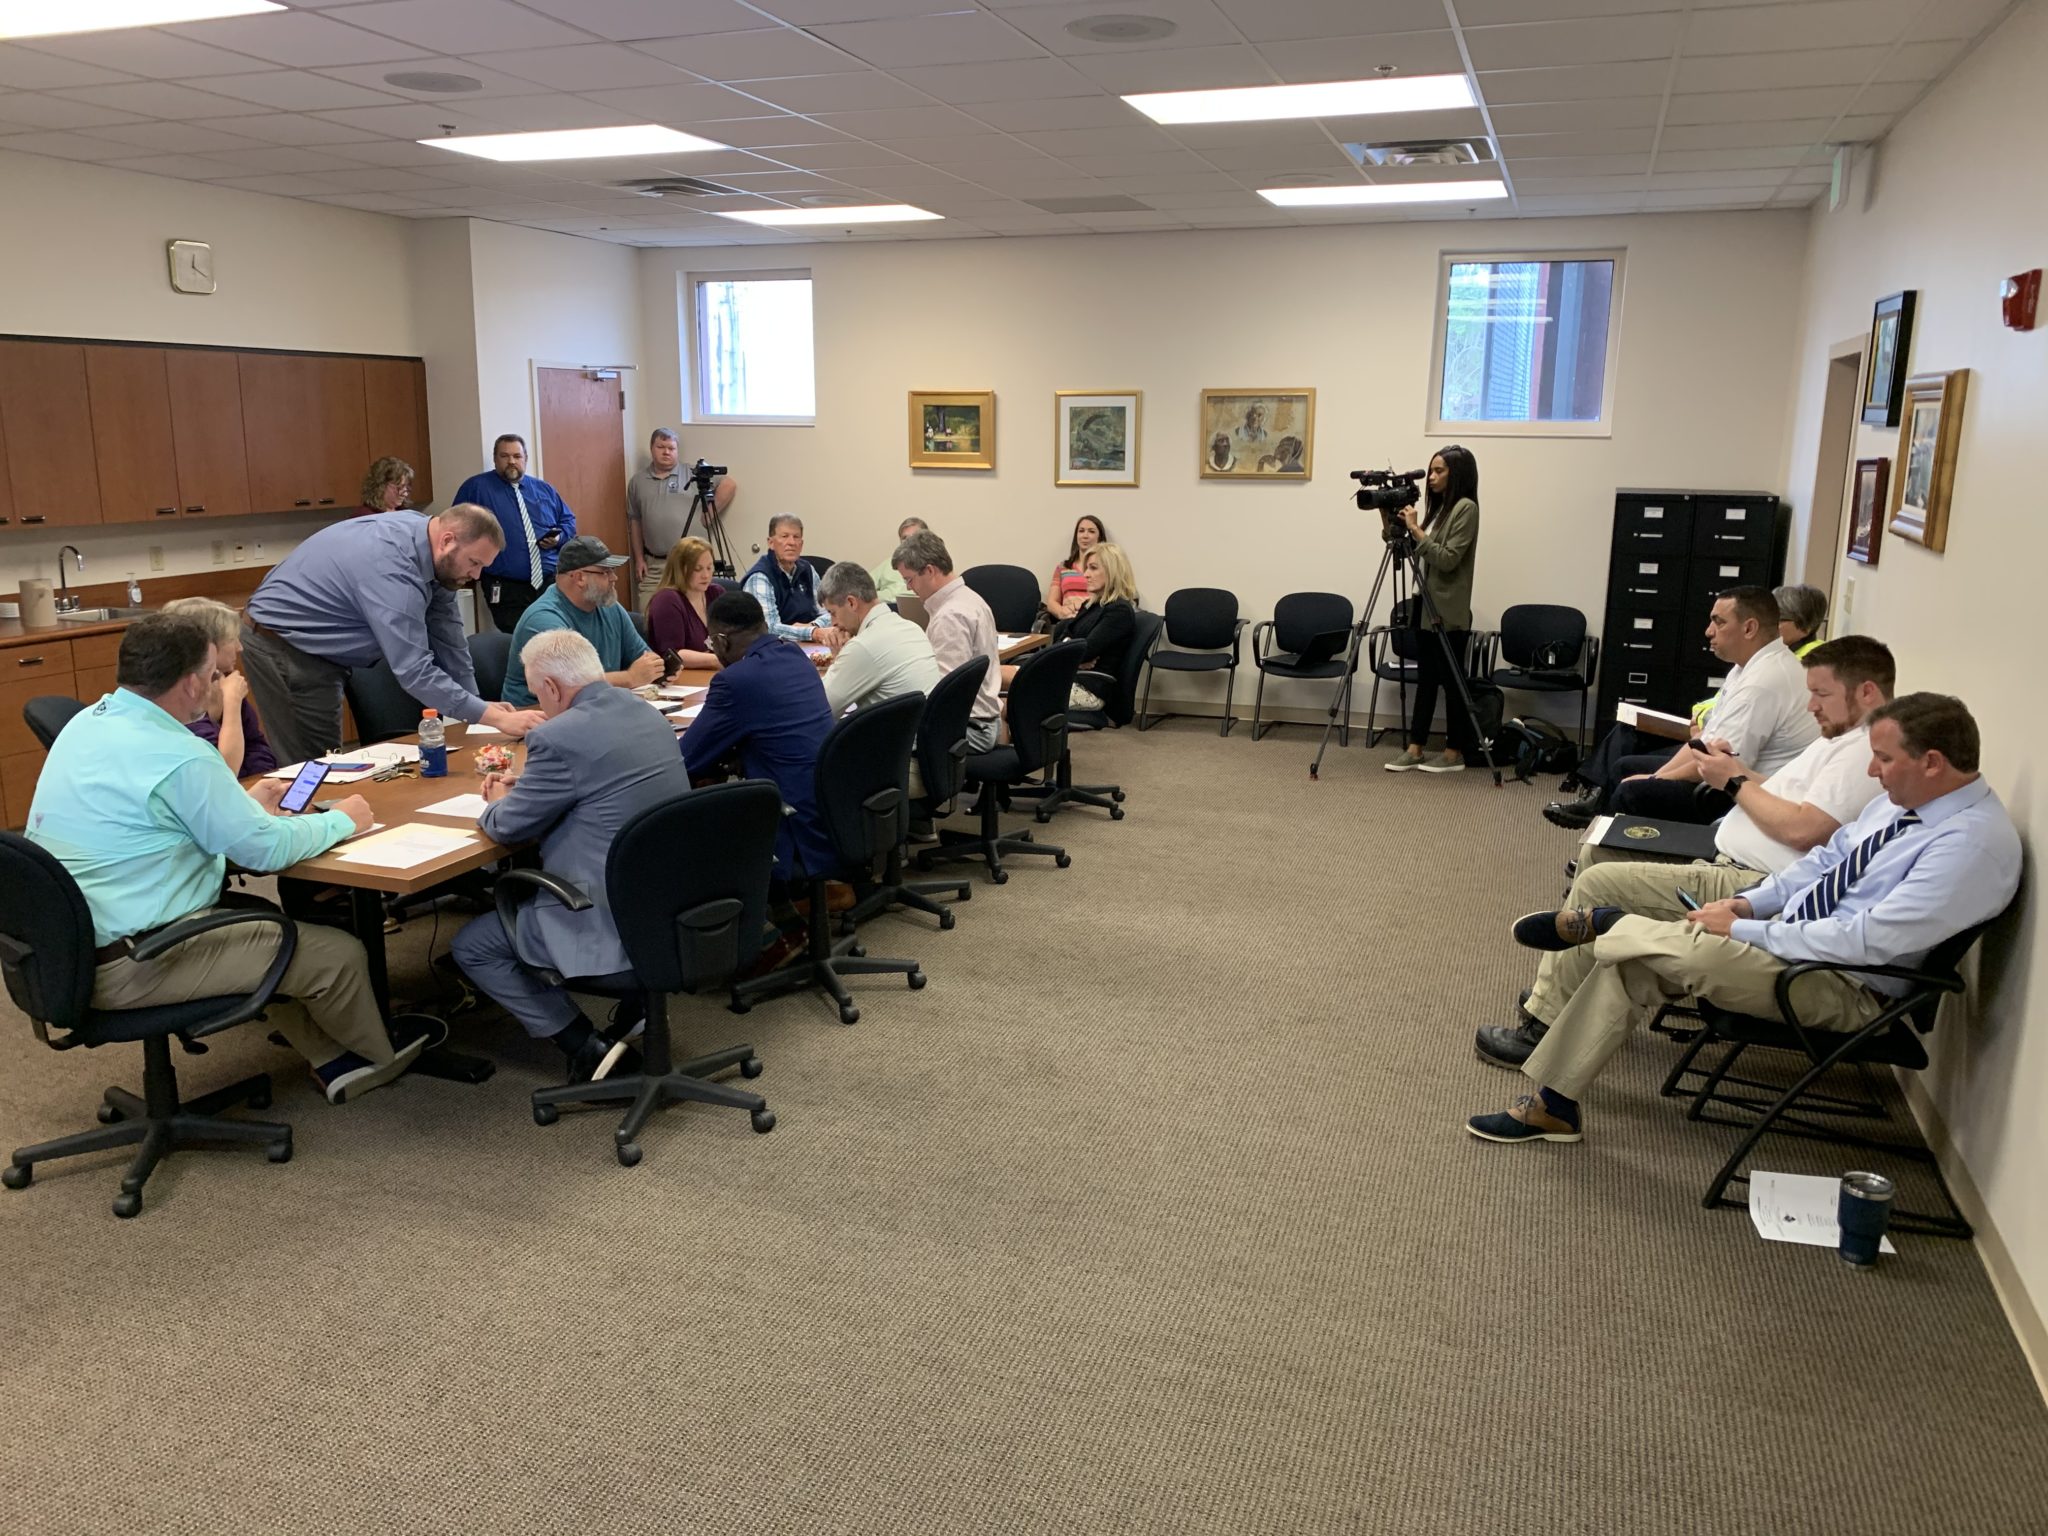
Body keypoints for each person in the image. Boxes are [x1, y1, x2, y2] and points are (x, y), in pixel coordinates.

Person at [1466, 693, 2020, 1144]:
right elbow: (1822, 865)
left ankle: (1612, 923)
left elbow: (1865, 940)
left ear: (1933, 763)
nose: (1873, 772)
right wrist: (1750, 904)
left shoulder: (1970, 847)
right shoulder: (1903, 805)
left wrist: (1746, 930)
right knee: (1636, 959)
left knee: (1648, 947)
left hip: (1839, 984)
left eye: (1885, 760)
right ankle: (1555, 1106)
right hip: (1791, 943)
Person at [25, 614, 435, 1104]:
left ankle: (331, 1055)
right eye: (214, 674)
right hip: (134, 961)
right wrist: (344, 820)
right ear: (193, 682)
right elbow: (265, 851)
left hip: (65, 948)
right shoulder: (181, 754)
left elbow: (148, 815)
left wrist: (236, 808)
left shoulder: (87, 723)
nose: (217, 682)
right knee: (335, 954)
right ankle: (376, 1059)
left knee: (258, 920)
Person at [1477, 636, 1896, 1070]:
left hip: (1751, 879)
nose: (1811, 706)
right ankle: (1562, 993)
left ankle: (1543, 1028)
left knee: (1600, 882)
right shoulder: (1840, 736)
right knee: (1600, 853)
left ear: (1867, 692)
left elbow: (1803, 830)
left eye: (1821, 694)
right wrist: (1732, 770)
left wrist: (1734, 783)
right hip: (1732, 860)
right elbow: (1783, 794)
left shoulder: (1864, 753)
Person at [451, 630, 693, 1085]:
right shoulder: (645, 711)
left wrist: (498, 801)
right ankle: (638, 1010)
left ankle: (586, 1045)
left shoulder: (557, 737)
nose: (538, 703)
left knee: (473, 946)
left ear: (552, 687)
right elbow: (599, 784)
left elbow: (505, 827)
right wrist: (527, 789)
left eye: (536, 692)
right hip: (670, 902)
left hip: (604, 915)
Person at [241, 505, 545, 768]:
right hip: (283, 644)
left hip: (321, 648)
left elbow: (449, 636)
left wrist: (479, 709)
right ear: (447, 541)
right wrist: (492, 717)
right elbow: (414, 671)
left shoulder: (432, 548)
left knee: (327, 763)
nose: (476, 576)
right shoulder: (393, 567)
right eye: (474, 563)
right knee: (313, 766)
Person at [1546, 586, 1817, 828]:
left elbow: (1717, 765)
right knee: (1624, 768)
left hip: (1750, 796)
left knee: (1632, 792)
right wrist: (1657, 776)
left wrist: (1653, 781)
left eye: (1719, 622)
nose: (1708, 631)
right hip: (1729, 776)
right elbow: (1704, 742)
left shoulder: (1763, 683)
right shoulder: (1748, 666)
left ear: (1749, 629)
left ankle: (1610, 854)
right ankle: (1597, 838)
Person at [683, 591, 835, 882]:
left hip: (792, 827)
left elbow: (687, 759)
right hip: (826, 812)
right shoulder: (797, 656)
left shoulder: (734, 681)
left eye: (711, 643)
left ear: (721, 641)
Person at [1384, 447, 1481, 775]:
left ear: (1458, 474)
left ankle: (1454, 753)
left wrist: (1416, 529)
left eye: (1440, 471)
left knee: (1452, 683)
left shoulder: (1465, 509)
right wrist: (1388, 516)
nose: (1432, 477)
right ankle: (1415, 747)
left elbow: (1448, 559)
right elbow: (1407, 549)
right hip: (1423, 605)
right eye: (1431, 471)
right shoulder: (1438, 511)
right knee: (1426, 679)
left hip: (1448, 610)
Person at [500, 535, 670, 709]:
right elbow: (572, 687)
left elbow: (644, 658)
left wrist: (659, 668)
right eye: (605, 572)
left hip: (594, 707)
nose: (614, 578)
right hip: (538, 714)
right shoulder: (544, 619)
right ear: (579, 578)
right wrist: (630, 678)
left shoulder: (609, 607)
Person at [452, 434, 577, 634]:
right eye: (505, 456)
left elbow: (568, 521)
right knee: (520, 639)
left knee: (557, 636)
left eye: (517, 456)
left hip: (549, 582)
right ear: (495, 459)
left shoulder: (544, 489)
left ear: (525, 459)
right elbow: (457, 527)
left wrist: (558, 538)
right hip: (506, 587)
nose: (511, 461)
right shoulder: (476, 488)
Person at [895, 528, 1002, 753]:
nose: (908, 587)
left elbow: (945, 694)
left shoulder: (950, 616)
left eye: (909, 579)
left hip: (970, 730)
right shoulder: (970, 598)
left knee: (884, 739)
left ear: (929, 571)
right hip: (981, 722)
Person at [161, 596, 276, 776]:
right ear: (207, 645)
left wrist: (256, 778)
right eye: (232, 639)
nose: (240, 647)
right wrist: (232, 703)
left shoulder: (225, 680)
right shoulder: (181, 695)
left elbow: (256, 745)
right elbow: (219, 771)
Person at [1687, 582, 1828, 729]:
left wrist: (1703, 719)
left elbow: (1736, 716)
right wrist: (1704, 716)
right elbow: (1724, 702)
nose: (1766, 626)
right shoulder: (1761, 656)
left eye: (1777, 620)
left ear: (1806, 627)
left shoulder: (1808, 665)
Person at [817, 561, 941, 716]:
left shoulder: (863, 646)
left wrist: (839, 656)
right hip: (925, 726)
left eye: (833, 612)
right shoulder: (911, 627)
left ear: (851, 603)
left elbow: (821, 709)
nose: (833, 623)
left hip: (896, 730)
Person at [625, 427, 736, 585]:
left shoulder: (693, 474)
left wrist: (708, 514)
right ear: (651, 448)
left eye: (671, 448)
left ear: (677, 451)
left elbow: (729, 484)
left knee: (696, 601)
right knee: (650, 602)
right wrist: (639, 559)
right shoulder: (637, 482)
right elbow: (635, 521)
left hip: (691, 562)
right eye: (661, 447)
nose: (666, 452)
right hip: (655, 565)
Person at [1048, 542, 1139, 704]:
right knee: (1005, 685)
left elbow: (1085, 651)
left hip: (1089, 688)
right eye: (1087, 568)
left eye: (1093, 568)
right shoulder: (1090, 605)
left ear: (1112, 571)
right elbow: (1064, 637)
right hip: (1070, 676)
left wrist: (1074, 652)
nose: (1086, 574)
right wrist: (1076, 660)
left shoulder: (1119, 611)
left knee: (1013, 695)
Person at [741, 513, 844, 647]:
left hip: (812, 647)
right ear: (771, 543)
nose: (791, 542)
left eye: (796, 537)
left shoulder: (808, 570)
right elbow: (769, 628)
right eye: (784, 536)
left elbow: (830, 611)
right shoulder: (760, 577)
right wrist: (813, 633)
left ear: (801, 544)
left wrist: (814, 625)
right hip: (775, 649)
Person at [646, 535, 724, 669]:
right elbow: (674, 654)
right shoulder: (667, 600)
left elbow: (735, 634)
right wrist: (720, 660)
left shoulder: (716, 593)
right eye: (698, 569)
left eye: (709, 567)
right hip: (682, 677)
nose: (706, 575)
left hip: (715, 673)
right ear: (680, 570)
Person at [1044, 514, 1107, 624]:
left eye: (1091, 531)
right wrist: (1061, 612)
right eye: (1081, 531)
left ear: (1100, 538)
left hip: (1094, 620)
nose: (1085, 536)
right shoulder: (1063, 567)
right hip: (1067, 621)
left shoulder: (1106, 568)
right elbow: (1051, 602)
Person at [872, 516, 926, 605]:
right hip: (885, 608)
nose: (909, 541)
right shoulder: (888, 564)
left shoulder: (930, 567)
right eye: (904, 538)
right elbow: (863, 587)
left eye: (914, 536)